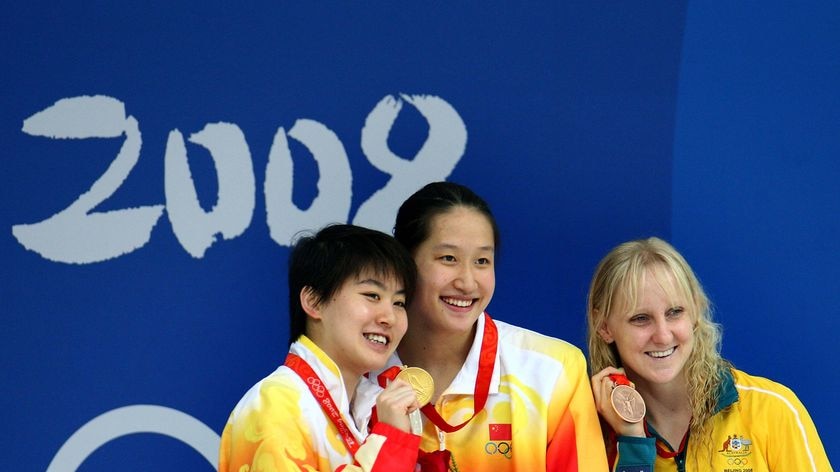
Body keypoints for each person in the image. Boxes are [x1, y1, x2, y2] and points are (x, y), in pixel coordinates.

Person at [371, 181, 608, 471]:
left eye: (482, 261)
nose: (467, 282)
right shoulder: (360, 373)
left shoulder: (552, 371)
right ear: (404, 262)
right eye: (448, 258)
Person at [587, 237, 833, 471]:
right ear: (604, 327)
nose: (663, 335)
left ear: (695, 311)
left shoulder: (772, 409)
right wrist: (633, 446)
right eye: (640, 319)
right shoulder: (590, 430)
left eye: (675, 312)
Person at [219, 224, 423, 471]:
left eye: (399, 302)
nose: (389, 317)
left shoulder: (372, 409)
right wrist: (391, 442)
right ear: (313, 301)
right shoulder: (276, 407)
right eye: (372, 295)